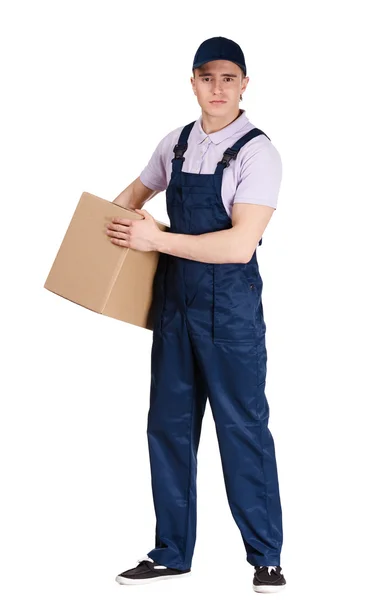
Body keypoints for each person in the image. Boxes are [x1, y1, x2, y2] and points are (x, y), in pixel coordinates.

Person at [108, 36, 286, 593]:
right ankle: (170, 553)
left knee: (243, 431)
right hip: (176, 311)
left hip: (230, 316)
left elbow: (239, 245)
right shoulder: (176, 144)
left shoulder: (259, 152)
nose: (217, 88)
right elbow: (130, 198)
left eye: (228, 78)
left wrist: (155, 242)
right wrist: (114, 231)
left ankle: (266, 556)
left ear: (244, 85)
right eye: (207, 77)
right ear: (192, 81)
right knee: (168, 428)